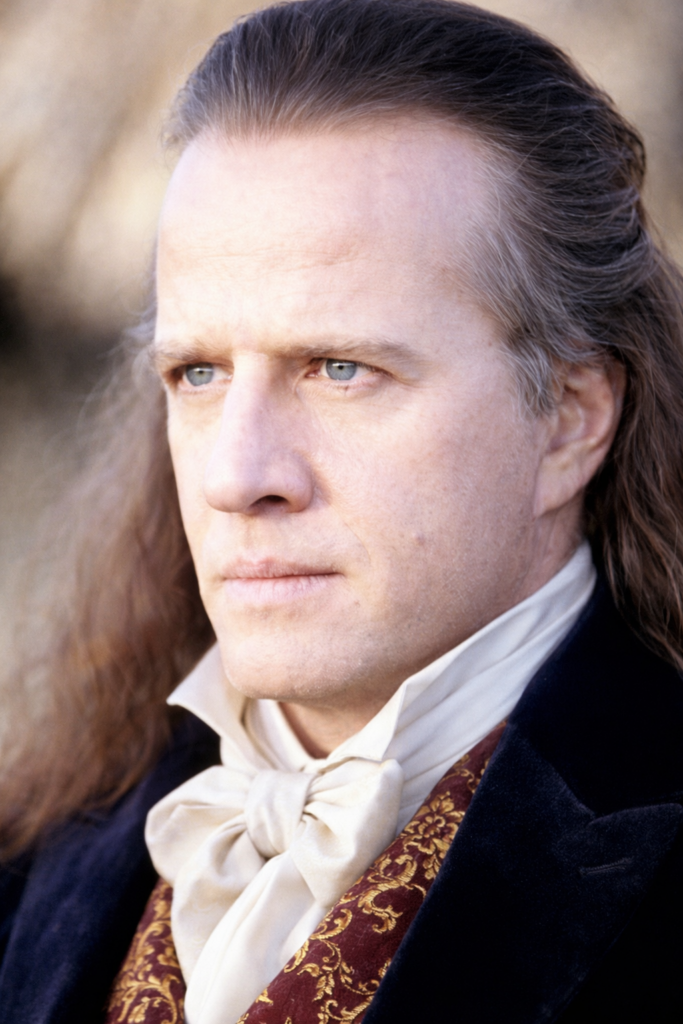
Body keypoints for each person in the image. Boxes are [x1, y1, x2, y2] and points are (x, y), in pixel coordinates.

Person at [1, 0, 683, 1021]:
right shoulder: (37, 856)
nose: (236, 476)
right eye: (197, 373)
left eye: (338, 368)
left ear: (568, 420)